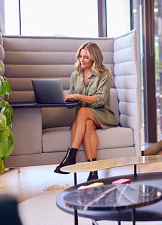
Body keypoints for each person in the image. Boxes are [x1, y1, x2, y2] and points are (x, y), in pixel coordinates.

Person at [54, 42, 119, 181]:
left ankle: (71, 156)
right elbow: (72, 101)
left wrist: (77, 96)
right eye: (80, 56)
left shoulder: (104, 73)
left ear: (94, 59)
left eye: (86, 57)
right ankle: (93, 172)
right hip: (84, 118)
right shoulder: (75, 75)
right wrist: (66, 100)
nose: (81, 60)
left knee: (83, 111)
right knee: (87, 124)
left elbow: (100, 100)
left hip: (102, 114)